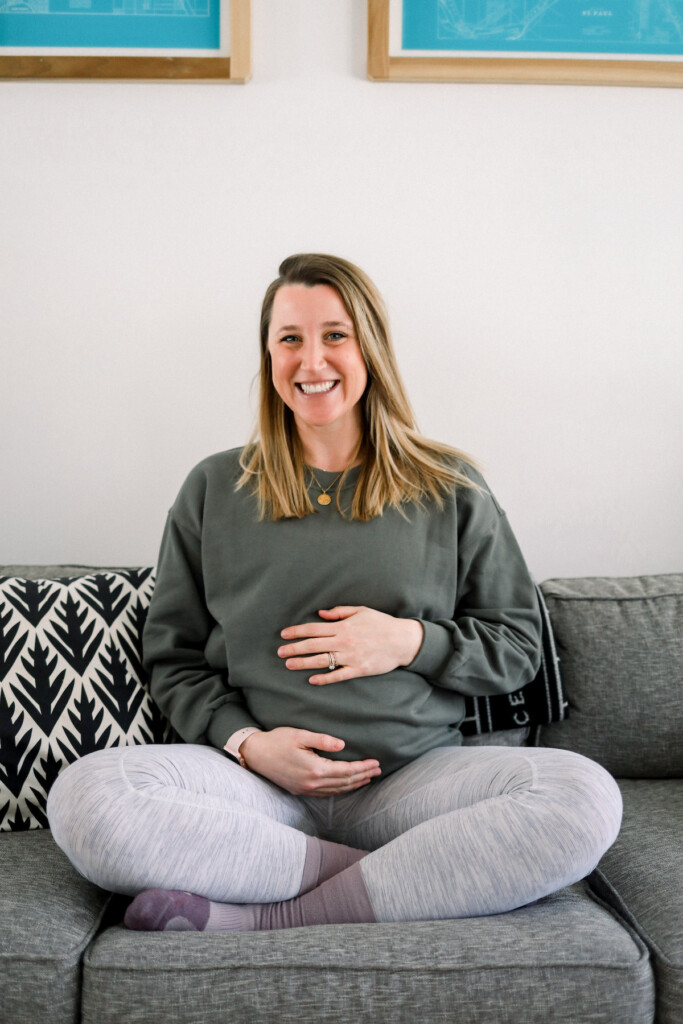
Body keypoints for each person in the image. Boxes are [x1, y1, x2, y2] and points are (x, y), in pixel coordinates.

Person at [47, 254, 623, 932]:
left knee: (582, 798)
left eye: (334, 335)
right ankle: (386, 874)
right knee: (89, 798)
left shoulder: (449, 486)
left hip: (415, 783)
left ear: (369, 347)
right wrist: (245, 744)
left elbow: (518, 646)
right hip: (257, 793)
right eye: (289, 338)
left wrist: (407, 640)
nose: (310, 359)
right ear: (268, 354)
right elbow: (173, 659)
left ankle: (264, 917)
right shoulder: (213, 489)